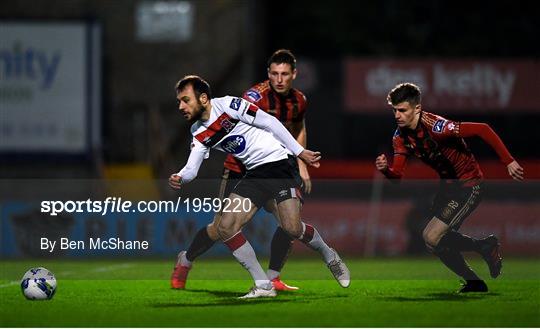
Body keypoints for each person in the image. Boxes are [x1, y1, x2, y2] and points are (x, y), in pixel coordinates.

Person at [169, 75, 350, 298]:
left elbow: (270, 122)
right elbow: (192, 169)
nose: (181, 106)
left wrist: (299, 152)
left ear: (204, 98)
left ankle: (328, 254)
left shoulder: (229, 105)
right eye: (179, 101)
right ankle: (264, 285)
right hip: (254, 173)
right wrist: (180, 177)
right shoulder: (198, 131)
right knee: (225, 226)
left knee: (292, 228)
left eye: (186, 100)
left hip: (279, 163)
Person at [171, 50, 311, 291]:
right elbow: (259, 128)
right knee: (220, 228)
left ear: (294, 75)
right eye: (275, 74)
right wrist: (182, 175)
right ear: (268, 75)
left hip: (274, 166)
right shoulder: (251, 98)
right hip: (239, 170)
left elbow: (298, 128)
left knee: (290, 225)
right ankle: (186, 260)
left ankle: (272, 278)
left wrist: (301, 164)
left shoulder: (299, 100)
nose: (279, 79)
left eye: (285, 74)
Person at [375, 82, 523, 293]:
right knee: (432, 242)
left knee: (432, 237)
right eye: (394, 110)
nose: (397, 115)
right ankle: (475, 279)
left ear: (417, 108)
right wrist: (385, 170)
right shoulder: (400, 137)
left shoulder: (437, 127)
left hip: (469, 185)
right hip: (448, 188)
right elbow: (397, 176)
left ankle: (483, 251)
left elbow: (483, 129)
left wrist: (508, 161)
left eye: (402, 110)